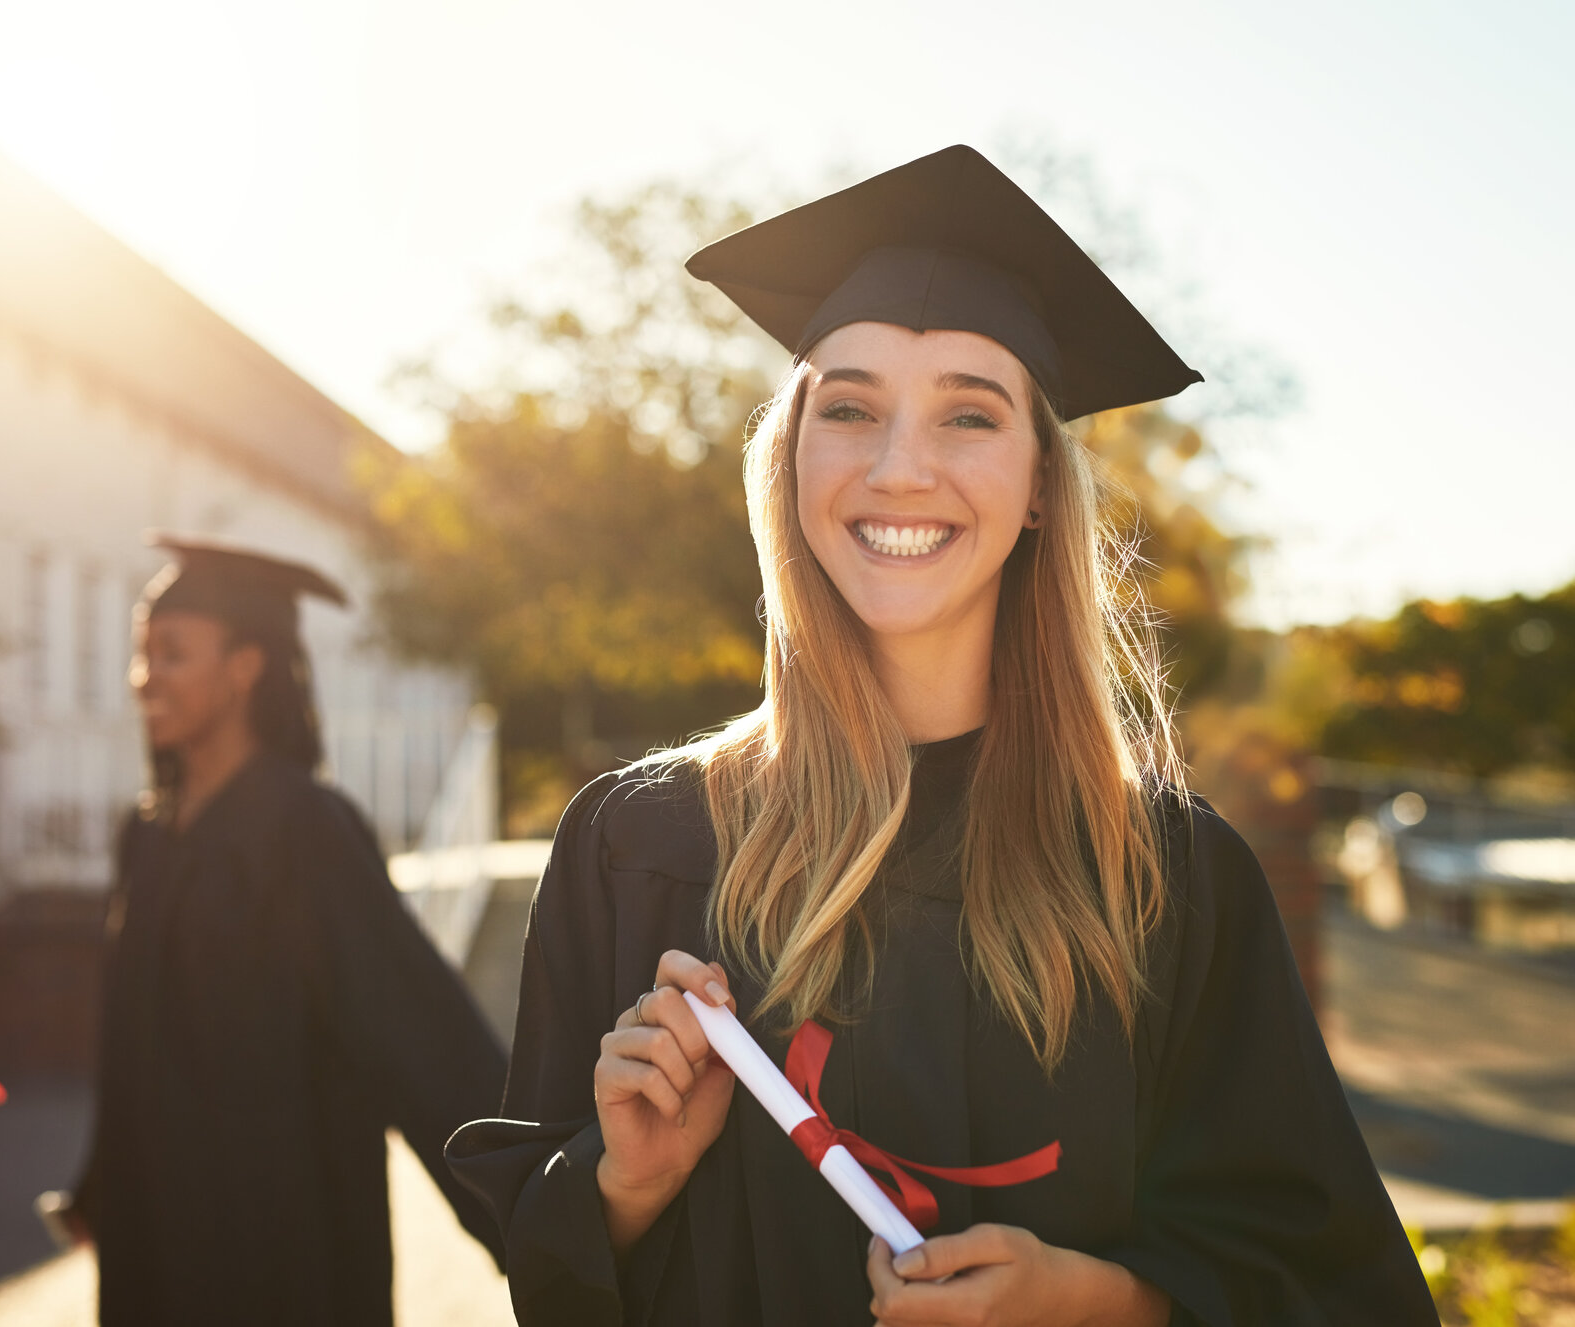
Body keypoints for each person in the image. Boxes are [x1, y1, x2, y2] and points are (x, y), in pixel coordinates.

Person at [447, 147, 1437, 1326]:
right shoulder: (642, 845)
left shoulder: (1167, 879)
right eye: (850, 406)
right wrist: (625, 1187)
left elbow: (1338, 1290)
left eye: (969, 412)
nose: (896, 465)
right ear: (792, 460)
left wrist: (1109, 1304)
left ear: (1034, 487)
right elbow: (548, 1287)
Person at [62, 535, 508, 1325]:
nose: (144, 678)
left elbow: (413, 1024)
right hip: (156, 1232)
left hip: (280, 1237)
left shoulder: (305, 830)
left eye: (172, 654)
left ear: (245, 666)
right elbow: (132, 1034)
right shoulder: (151, 832)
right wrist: (102, 1183)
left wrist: (539, 1205)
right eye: (142, 655)